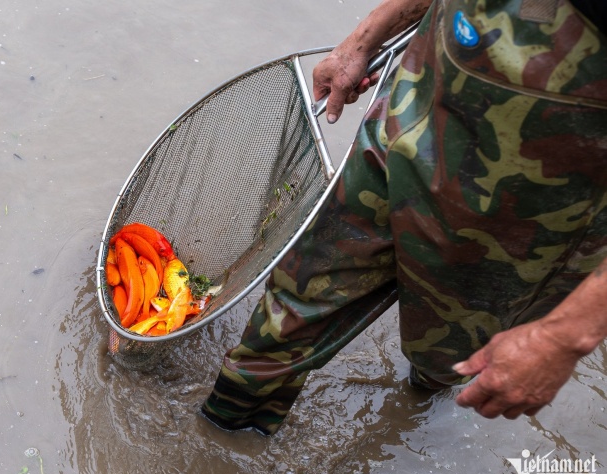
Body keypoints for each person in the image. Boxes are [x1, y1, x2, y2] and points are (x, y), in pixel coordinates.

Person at [201, 0, 607, 436]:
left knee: (446, 359)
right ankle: (223, 431)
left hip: (526, 224)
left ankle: (416, 406)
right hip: (411, 119)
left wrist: (562, 339)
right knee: (289, 310)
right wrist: (363, 40)